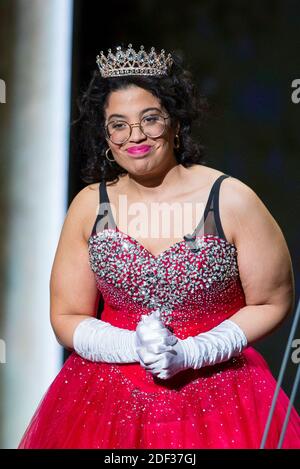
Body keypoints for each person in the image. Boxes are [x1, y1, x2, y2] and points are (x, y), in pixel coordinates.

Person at [18, 43, 300, 449]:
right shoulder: (89, 206)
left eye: (150, 119)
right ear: (105, 133)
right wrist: (128, 345)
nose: (135, 136)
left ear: (176, 123)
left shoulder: (231, 199)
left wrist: (196, 351)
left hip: (220, 396)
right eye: (118, 124)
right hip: (102, 402)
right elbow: (66, 314)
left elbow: (272, 300)